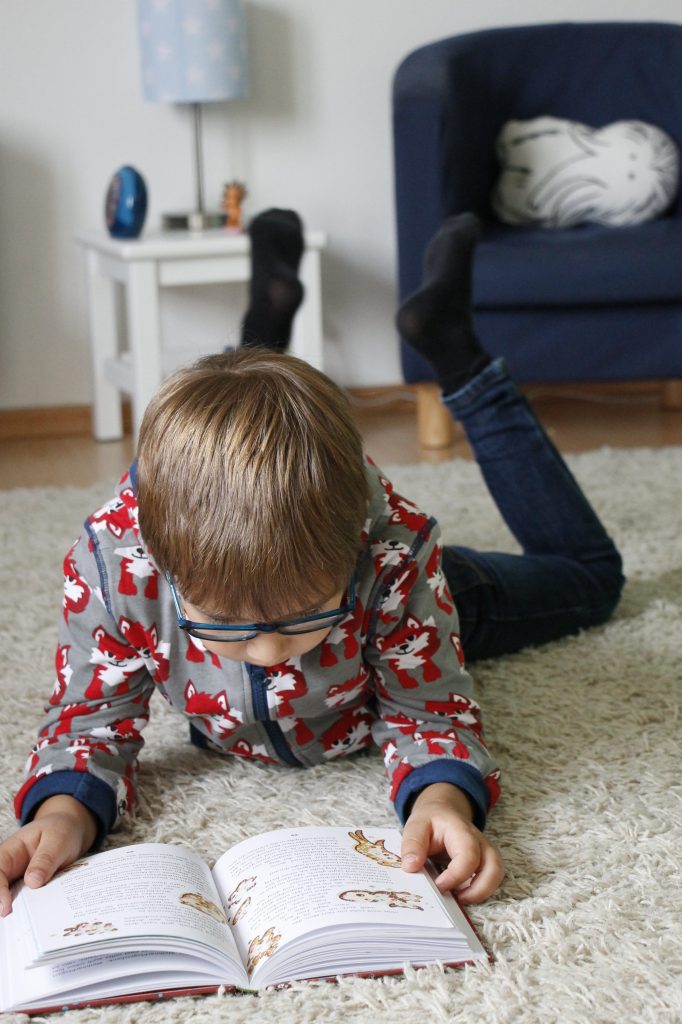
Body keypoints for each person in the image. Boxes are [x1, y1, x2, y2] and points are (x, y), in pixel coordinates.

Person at [0, 213, 624, 916]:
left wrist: (445, 799)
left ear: (353, 550)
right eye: (228, 626)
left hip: (423, 606)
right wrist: (57, 817)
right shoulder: (117, 571)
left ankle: (459, 353)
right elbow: (88, 722)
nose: (268, 652)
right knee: (236, 418)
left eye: (304, 617)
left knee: (594, 579)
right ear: (165, 568)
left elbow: (429, 708)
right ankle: (266, 313)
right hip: (268, 546)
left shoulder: (394, 559)